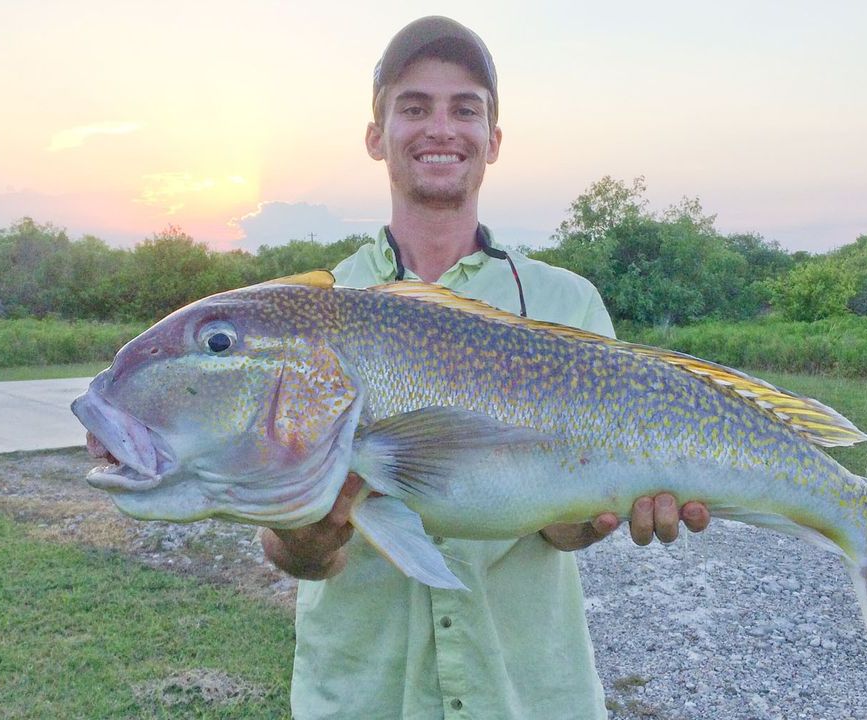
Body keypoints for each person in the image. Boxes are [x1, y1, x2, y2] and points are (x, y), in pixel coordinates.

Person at [260, 16, 710, 719]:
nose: (441, 128)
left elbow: (559, 530)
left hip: (525, 698)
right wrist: (308, 532)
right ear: (376, 135)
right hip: (361, 699)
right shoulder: (311, 313)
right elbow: (301, 556)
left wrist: (599, 511)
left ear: (493, 141)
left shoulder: (567, 304)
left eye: (465, 108)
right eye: (414, 107)